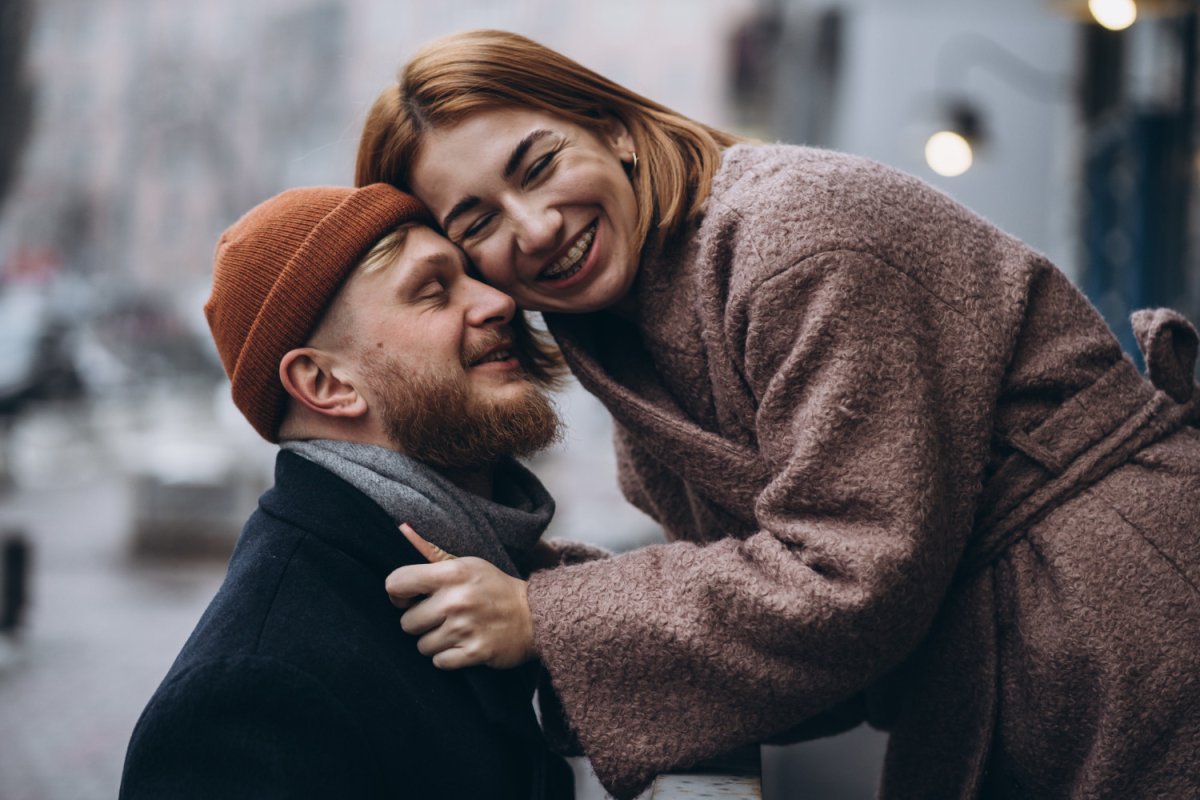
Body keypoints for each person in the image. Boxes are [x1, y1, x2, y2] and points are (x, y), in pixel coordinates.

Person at [354, 29, 1200, 800]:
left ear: (612, 129)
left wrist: (543, 616)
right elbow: (778, 650)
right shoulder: (629, 347)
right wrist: (536, 593)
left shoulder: (794, 239)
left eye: (538, 166)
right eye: (478, 222)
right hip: (1044, 660)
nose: (535, 228)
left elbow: (851, 579)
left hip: (1129, 627)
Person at [118, 183, 576, 800]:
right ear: (326, 383)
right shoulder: (249, 699)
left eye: (471, 274)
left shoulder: (480, 566)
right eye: (433, 290)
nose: (498, 301)